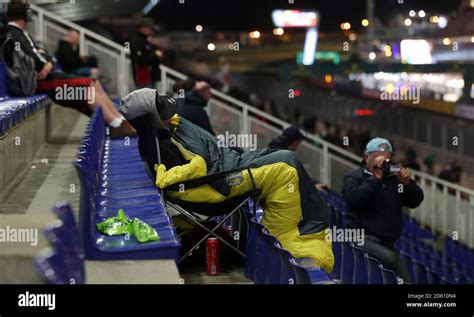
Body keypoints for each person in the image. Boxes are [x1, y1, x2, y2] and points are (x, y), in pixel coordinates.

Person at [120, 88, 334, 272]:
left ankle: (290, 243)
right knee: (286, 168)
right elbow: (195, 170)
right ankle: (285, 248)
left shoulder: (161, 134)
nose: (170, 115)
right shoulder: (162, 144)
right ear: (150, 121)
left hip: (223, 168)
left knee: (284, 159)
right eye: (162, 112)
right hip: (219, 185)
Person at [6, 2, 132, 134]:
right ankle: (115, 124)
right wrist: (46, 62)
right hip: (38, 82)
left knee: (94, 83)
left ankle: (119, 119)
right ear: (26, 15)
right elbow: (36, 60)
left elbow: (46, 55)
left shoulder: (20, 33)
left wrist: (48, 62)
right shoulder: (14, 34)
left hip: (47, 77)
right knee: (87, 85)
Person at [342, 138, 424, 283]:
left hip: (386, 243)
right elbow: (356, 200)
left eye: (388, 159)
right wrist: (376, 177)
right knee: (393, 261)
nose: (385, 163)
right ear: (366, 158)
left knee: (395, 266)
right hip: (359, 238)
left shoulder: (394, 180)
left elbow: (416, 201)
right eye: (380, 159)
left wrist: (408, 183)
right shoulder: (354, 177)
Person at [130, 17, 163, 89]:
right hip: (144, 78)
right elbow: (139, 59)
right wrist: (155, 55)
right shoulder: (137, 40)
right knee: (146, 99)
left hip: (149, 77)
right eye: (150, 29)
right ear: (143, 28)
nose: (152, 31)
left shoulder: (146, 40)